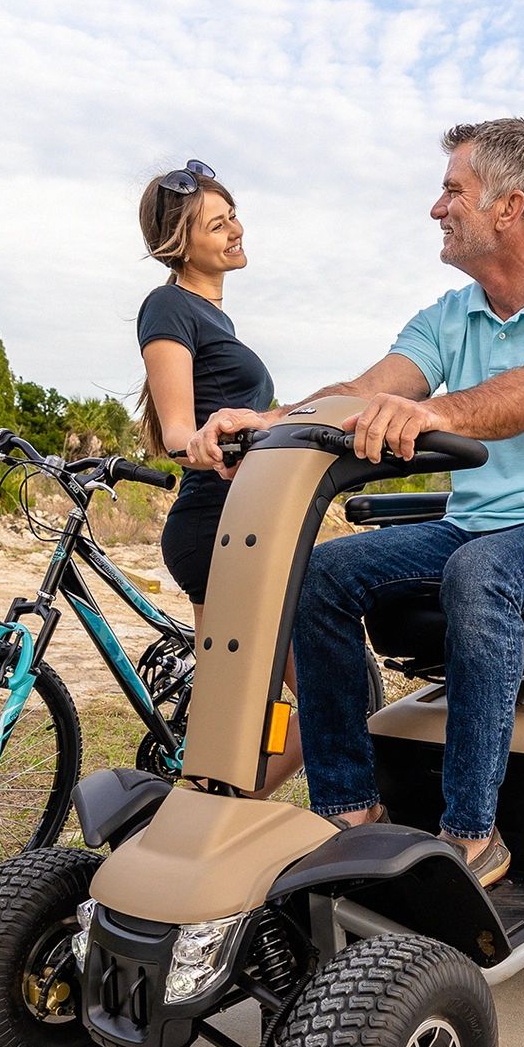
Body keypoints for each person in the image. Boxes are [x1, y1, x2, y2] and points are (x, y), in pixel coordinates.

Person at [190, 119, 524, 887]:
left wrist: (439, 414)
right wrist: (268, 421)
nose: (437, 207)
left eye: (452, 190)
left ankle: (472, 833)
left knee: (480, 571)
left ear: (509, 207)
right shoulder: (448, 316)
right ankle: (350, 811)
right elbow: (367, 390)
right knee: (322, 573)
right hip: (473, 527)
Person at [133, 159, 300, 790]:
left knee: (233, 709)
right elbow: (177, 430)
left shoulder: (213, 319)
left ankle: (211, 807)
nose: (235, 230)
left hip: (240, 522)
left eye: (233, 217)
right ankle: (222, 816)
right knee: (327, 689)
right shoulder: (168, 307)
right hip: (217, 528)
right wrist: (199, 444)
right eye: (217, 224)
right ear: (179, 244)